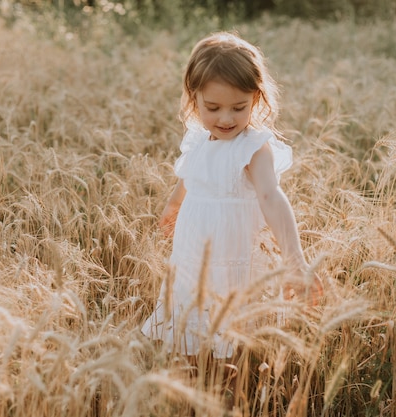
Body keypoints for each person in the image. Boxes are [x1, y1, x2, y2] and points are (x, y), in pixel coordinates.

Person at [141, 31, 322, 411]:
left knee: (232, 342)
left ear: (257, 99)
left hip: (233, 259)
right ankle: (193, 395)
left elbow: (272, 198)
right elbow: (188, 180)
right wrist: (173, 208)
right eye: (213, 107)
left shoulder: (253, 146)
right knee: (189, 335)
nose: (226, 118)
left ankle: (231, 399)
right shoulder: (197, 139)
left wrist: (295, 260)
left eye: (239, 108)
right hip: (192, 256)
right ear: (194, 99)